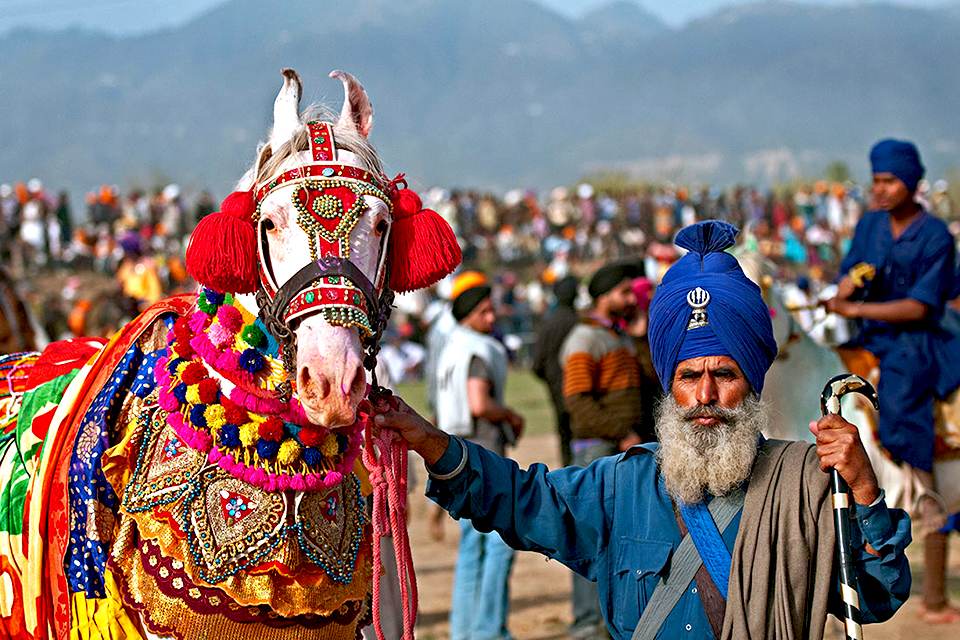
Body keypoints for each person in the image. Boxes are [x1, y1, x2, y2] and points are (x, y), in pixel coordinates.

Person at [375, 220, 911, 640]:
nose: (705, 396)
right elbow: (520, 499)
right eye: (688, 377)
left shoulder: (808, 483)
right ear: (668, 382)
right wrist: (430, 441)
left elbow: (876, 599)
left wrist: (863, 490)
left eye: (724, 374)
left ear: (751, 381)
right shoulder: (618, 486)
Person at [826, 139, 960, 536]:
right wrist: (847, 284)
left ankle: (926, 489)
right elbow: (850, 268)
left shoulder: (936, 235)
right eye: (876, 181)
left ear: (911, 182)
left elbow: (920, 307)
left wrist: (855, 309)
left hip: (920, 338)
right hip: (873, 334)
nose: (880, 189)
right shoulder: (869, 225)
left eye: (889, 181)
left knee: (901, 390)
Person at [557, 260, 647, 639]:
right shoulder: (584, 339)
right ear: (604, 296)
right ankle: (588, 622)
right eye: (625, 292)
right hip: (599, 450)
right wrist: (623, 432)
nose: (632, 298)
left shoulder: (619, 336)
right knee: (592, 539)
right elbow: (577, 403)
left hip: (620, 447)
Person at [433, 271, 524, 640]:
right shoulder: (477, 350)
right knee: (500, 545)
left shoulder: (449, 348)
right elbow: (479, 402)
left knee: (472, 546)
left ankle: (464, 629)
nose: (492, 318)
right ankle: (488, 629)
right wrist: (511, 415)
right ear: (468, 315)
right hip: (482, 455)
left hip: (457, 453)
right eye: (484, 312)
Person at [532, 275, 580, 467]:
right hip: (579, 389)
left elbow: (537, 364)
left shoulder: (548, 324)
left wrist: (552, 380)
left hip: (556, 389)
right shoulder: (579, 322)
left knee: (564, 435)